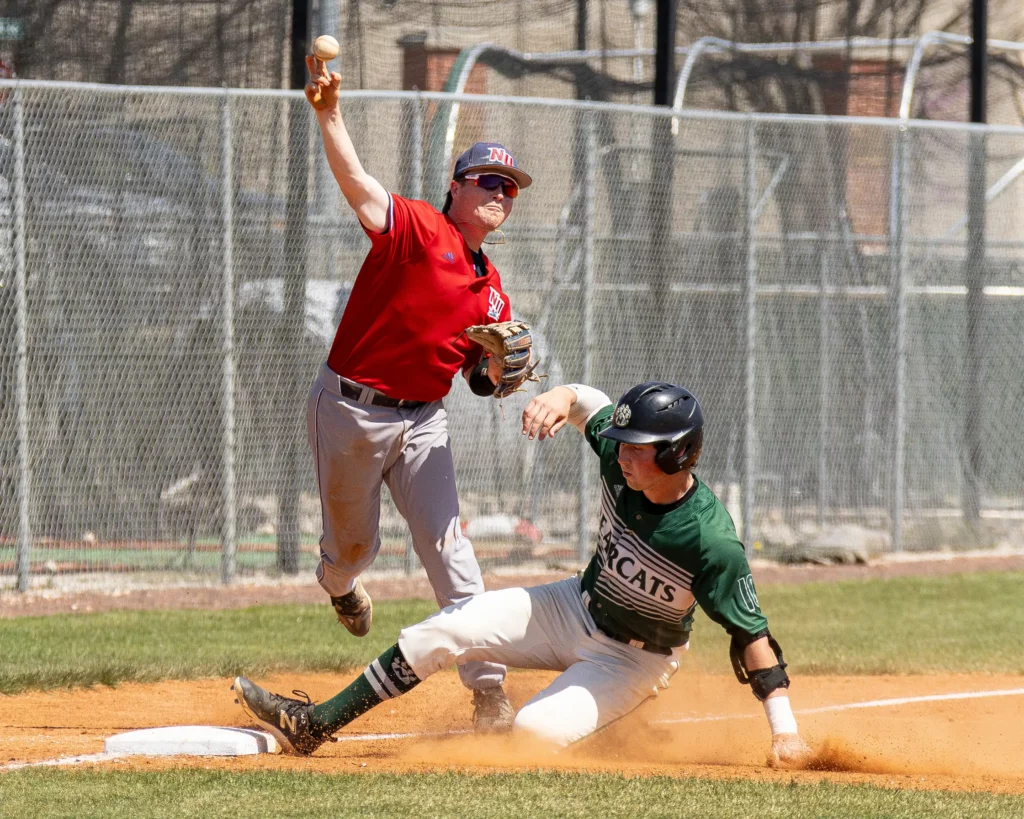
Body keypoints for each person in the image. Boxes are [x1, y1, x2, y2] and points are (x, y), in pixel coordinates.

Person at [234, 380, 813, 766]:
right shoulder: (620, 460)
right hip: (573, 608)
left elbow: (753, 637)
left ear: (678, 454)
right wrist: (561, 396)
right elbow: (589, 403)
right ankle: (314, 725)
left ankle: (609, 718)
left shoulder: (710, 540)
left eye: (639, 447)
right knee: (445, 628)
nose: (623, 452)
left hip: (634, 657)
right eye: (624, 443)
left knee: (533, 734)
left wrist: (783, 731)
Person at [298, 53, 536, 730]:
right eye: (489, 179)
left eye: (511, 186)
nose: (501, 191)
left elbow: (481, 379)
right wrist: (331, 114)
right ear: (456, 188)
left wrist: (500, 373)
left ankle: (488, 691)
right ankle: (339, 586)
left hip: (423, 421)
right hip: (350, 408)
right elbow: (358, 185)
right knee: (353, 548)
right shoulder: (417, 230)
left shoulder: (493, 291)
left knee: (451, 550)